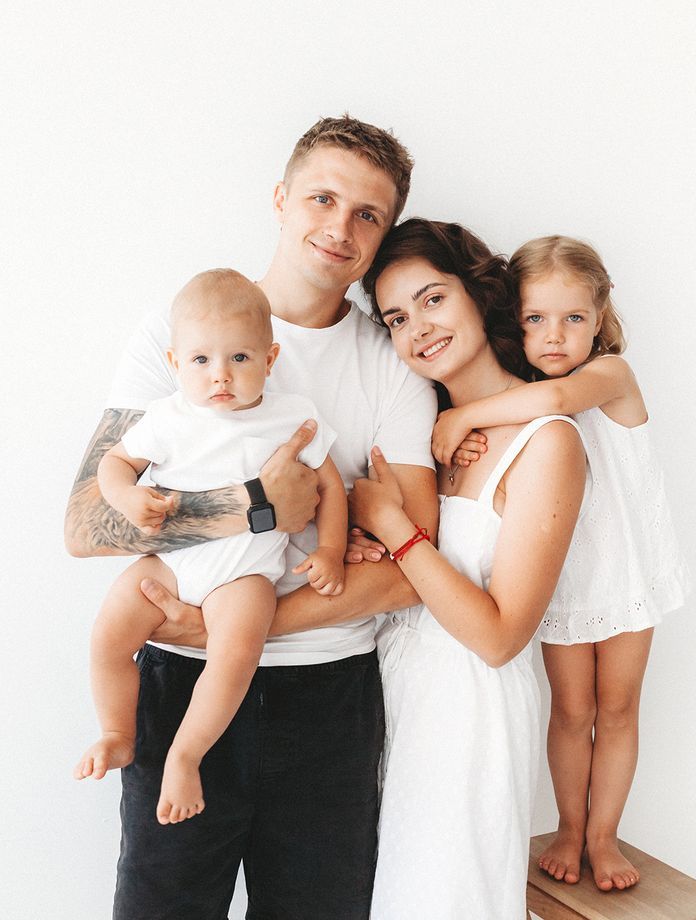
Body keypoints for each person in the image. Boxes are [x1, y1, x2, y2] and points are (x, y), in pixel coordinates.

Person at [65, 116, 439, 920]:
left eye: (366, 215)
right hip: (174, 685)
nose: (339, 228)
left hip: (328, 704)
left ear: (381, 237)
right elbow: (88, 522)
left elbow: (414, 569)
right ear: (280, 199)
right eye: (323, 198)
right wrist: (256, 508)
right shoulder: (183, 331)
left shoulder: (394, 366)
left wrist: (234, 629)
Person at [430, 235, 689, 892]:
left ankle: (604, 836)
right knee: (572, 710)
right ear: (513, 322)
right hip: (566, 581)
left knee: (620, 705)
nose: (555, 335)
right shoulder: (511, 399)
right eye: (535, 319)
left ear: (599, 317)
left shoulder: (609, 376)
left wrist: (460, 418)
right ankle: (572, 829)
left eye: (573, 318)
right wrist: (466, 439)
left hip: (628, 570)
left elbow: (556, 402)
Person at [351, 218, 588, 919]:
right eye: (396, 317)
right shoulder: (416, 431)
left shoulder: (548, 444)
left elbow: (498, 636)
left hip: (471, 714)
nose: (417, 328)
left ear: (478, 293)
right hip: (392, 690)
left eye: (432, 299)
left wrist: (393, 526)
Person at [74, 269, 347, 827]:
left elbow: (330, 486)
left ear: (269, 360)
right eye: (201, 361)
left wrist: (333, 551)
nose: (219, 375)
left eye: (239, 359)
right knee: (107, 635)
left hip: (243, 574)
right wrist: (126, 497)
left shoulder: (292, 417)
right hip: (170, 564)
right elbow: (113, 463)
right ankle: (117, 732)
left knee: (234, 653)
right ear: (176, 364)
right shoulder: (168, 417)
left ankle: (185, 754)